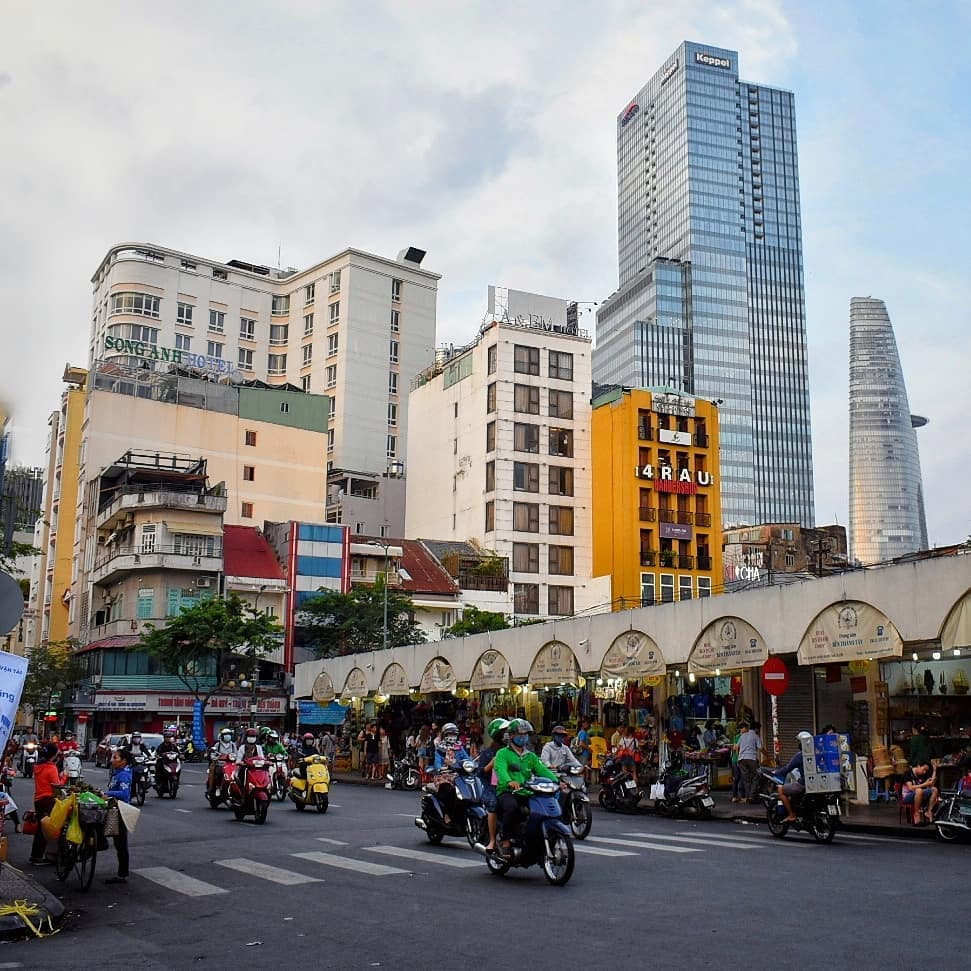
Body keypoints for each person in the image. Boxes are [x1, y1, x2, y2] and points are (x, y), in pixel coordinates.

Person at [493, 718, 558, 857]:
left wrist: (557, 781)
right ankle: (505, 840)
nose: (523, 737)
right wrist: (509, 781)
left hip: (527, 792)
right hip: (508, 791)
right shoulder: (502, 753)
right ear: (511, 736)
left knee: (541, 809)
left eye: (525, 734)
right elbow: (500, 770)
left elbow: (542, 770)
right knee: (511, 807)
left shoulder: (531, 756)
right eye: (520, 734)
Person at [29, 743, 63, 865]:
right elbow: (57, 786)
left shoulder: (38, 766)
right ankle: (40, 857)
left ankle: (35, 855)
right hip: (48, 800)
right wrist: (65, 777)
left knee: (40, 827)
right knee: (46, 829)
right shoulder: (51, 768)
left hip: (38, 799)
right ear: (54, 754)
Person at [429, 723, 469, 826]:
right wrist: (440, 768)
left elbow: (467, 759)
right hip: (444, 776)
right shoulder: (440, 749)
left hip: (459, 775)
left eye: (454, 734)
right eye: (450, 734)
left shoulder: (459, 747)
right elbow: (437, 762)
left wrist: (470, 764)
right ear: (444, 735)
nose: (452, 737)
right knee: (449, 791)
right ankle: (447, 814)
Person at [478, 718, 508, 851]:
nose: (508, 734)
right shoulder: (488, 753)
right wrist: (491, 764)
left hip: (509, 785)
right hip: (491, 787)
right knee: (494, 804)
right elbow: (480, 772)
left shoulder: (513, 750)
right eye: (505, 732)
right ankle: (492, 840)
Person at [104, 747, 133, 885]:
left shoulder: (123, 775)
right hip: (113, 810)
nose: (112, 760)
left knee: (121, 844)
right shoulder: (116, 774)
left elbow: (125, 794)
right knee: (117, 842)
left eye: (115, 758)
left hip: (120, 812)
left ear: (123, 761)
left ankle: (122, 874)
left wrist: (108, 794)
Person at [774, 732, 810, 822]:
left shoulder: (800, 755)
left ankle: (792, 815)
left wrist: (777, 772)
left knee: (781, 790)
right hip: (816, 784)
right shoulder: (818, 754)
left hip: (804, 784)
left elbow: (787, 768)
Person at [902, 760, 939, 824]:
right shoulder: (908, 773)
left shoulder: (922, 774)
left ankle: (929, 812)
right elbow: (910, 787)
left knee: (934, 789)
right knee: (919, 790)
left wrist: (935, 770)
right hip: (907, 796)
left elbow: (931, 784)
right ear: (918, 766)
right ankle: (916, 814)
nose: (924, 772)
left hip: (919, 794)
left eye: (926, 771)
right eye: (924, 769)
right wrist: (924, 784)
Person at [734, 722, 762, 803]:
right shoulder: (755, 736)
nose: (759, 731)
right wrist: (767, 756)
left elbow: (736, 747)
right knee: (757, 776)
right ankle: (751, 796)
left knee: (746, 779)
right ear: (756, 729)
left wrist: (739, 756)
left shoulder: (743, 735)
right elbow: (761, 748)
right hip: (751, 758)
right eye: (759, 729)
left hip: (741, 759)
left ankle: (747, 797)